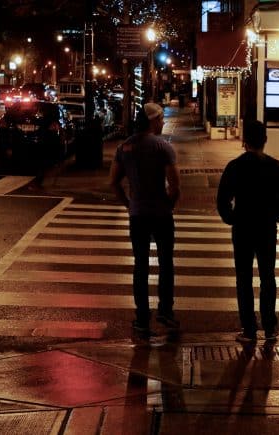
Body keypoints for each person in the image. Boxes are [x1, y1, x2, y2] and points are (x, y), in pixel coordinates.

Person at [110, 102, 181, 340]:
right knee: (166, 263)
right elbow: (175, 184)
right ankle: (165, 311)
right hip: (160, 213)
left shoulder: (125, 147)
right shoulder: (163, 147)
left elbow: (114, 182)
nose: (162, 123)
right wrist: (168, 205)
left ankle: (142, 318)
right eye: (160, 119)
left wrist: (129, 204)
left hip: (138, 214)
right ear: (153, 120)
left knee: (140, 266)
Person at [216, 119, 279, 344]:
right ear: (265, 140)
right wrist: (274, 216)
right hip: (266, 227)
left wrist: (231, 218)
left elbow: (222, 199)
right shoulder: (276, 167)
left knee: (244, 278)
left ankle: (249, 328)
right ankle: (269, 325)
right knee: (268, 277)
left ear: (244, 140)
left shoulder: (235, 166)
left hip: (243, 227)